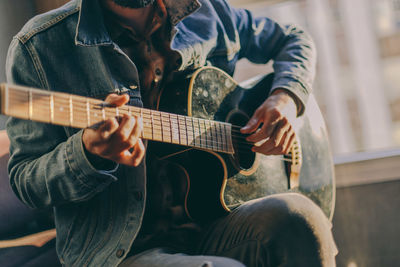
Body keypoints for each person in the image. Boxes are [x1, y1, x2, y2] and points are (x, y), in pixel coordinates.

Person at [5, 0, 337, 266]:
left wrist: (286, 98)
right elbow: (26, 180)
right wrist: (88, 153)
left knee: (301, 218)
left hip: (220, 221)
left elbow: (295, 39)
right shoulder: (39, 46)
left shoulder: (208, 12)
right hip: (123, 249)